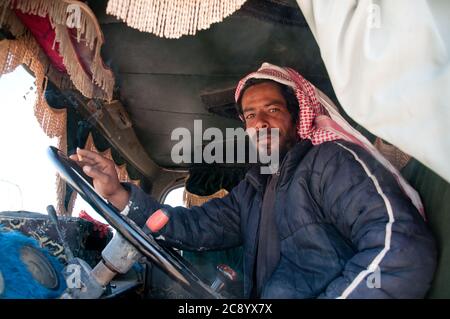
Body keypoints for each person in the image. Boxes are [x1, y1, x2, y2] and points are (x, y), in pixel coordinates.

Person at [71, 63, 436, 299]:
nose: (259, 122)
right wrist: (119, 194)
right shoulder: (255, 187)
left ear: (297, 117)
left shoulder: (332, 162)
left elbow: (400, 249)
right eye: (250, 115)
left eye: (272, 110)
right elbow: (195, 225)